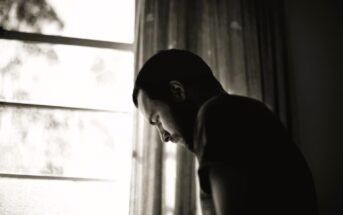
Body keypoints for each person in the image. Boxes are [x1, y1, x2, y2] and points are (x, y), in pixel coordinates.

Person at [132, 49, 318, 215]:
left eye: (158, 121)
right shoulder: (241, 113)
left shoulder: (218, 114)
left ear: (177, 91)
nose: (163, 136)